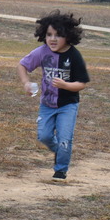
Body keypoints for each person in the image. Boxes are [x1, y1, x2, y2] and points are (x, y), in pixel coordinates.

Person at [16, 10, 90, 182]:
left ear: (69, 36)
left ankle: (60, 170)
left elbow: (82, 84)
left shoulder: (74, 56)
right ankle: (59, 151)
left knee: (65, 139)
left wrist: (65, 85)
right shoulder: (42, 52)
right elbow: (22, 65)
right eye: (49, 35)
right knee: (44, 136)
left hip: (68, 105)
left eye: (59, 35)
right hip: (47, 104)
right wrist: (26, 83)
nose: (53, 39)